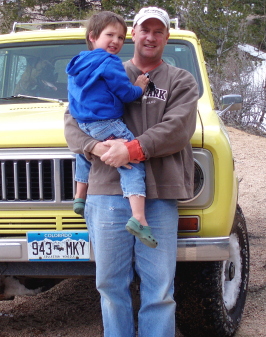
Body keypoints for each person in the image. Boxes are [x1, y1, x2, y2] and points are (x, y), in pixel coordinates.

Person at [64, 6, 199, 337]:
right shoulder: (104, 66)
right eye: (144, 30)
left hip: (159, 195)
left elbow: (178, 128)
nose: (150, 37)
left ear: (166, 37)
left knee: (159, 290)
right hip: (106, 193)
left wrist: (132, 149)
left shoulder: (181, 80)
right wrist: (96, 148)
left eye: (158, 31)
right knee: (111, 288)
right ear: (133, 35)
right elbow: (72, 120)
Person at [66, 11, 158, 248]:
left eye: (120, 37)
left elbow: (74, 100)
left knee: (83, 152)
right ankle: (139, 217)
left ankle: (79, 196)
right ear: (93, 36)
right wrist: (139, 87)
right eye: (110, 35)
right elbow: (126, 94)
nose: (116, 41)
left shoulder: (77, 64)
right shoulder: (110, 63)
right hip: (107, 122)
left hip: (83, 123)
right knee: (131, 159)